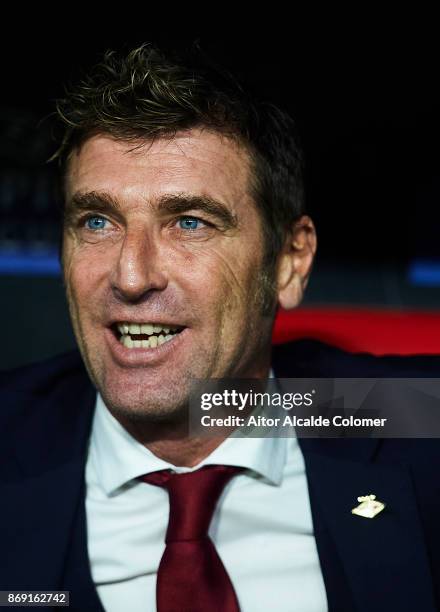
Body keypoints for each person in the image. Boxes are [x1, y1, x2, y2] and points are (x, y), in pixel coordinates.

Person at [1, 43, 440, 612]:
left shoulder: (400, 416)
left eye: (189, 222)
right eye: (97, 221)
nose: (131, 276)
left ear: (289, 262)